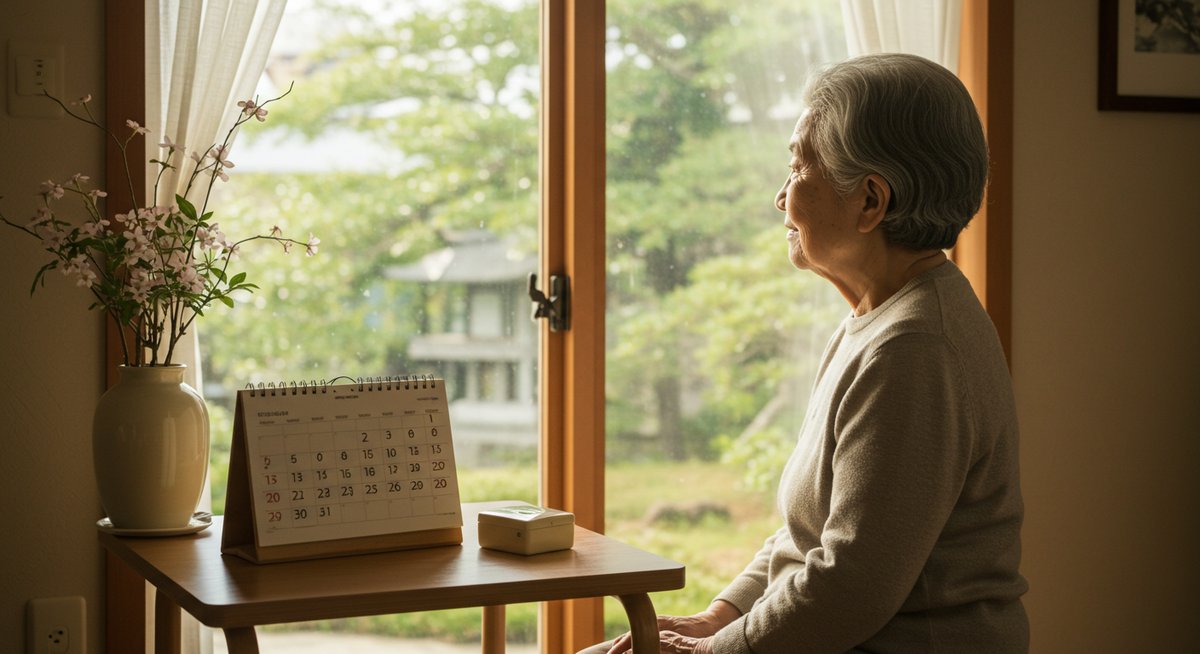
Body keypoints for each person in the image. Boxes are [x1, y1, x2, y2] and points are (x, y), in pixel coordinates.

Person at [585, 52, 1029, 653]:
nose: (780, 197)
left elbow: (851, 584)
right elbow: (810, 533)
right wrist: (719, 617)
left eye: (798, 169)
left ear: (871, 201)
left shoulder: (916, 347)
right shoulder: (876, 319)